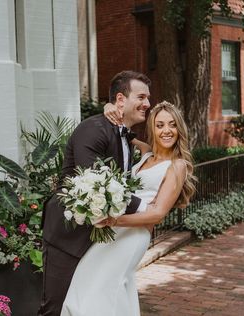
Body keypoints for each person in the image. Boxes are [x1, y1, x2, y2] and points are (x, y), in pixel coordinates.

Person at [60, 101, 196, 315]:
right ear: (152, 128)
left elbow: (157, 214)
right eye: (160, 125)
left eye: (172, 125)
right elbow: (124, 134)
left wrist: (114, 220)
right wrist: (109, 108)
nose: (167, 130)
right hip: (115, 229)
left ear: (179, 129)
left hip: (133, 233)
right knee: (94, 282)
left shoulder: (177, 165)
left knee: (104, 287)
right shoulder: (148, 153)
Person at [38, 70, 151, 315]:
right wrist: (145, 208)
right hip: (67, 237)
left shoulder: (125, 138)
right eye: (141, 97)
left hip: (97, 241)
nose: (147, 104)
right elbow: (92, 180)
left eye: (148, 98)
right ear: (121, 100)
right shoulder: (94, 129)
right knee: (55, 308)